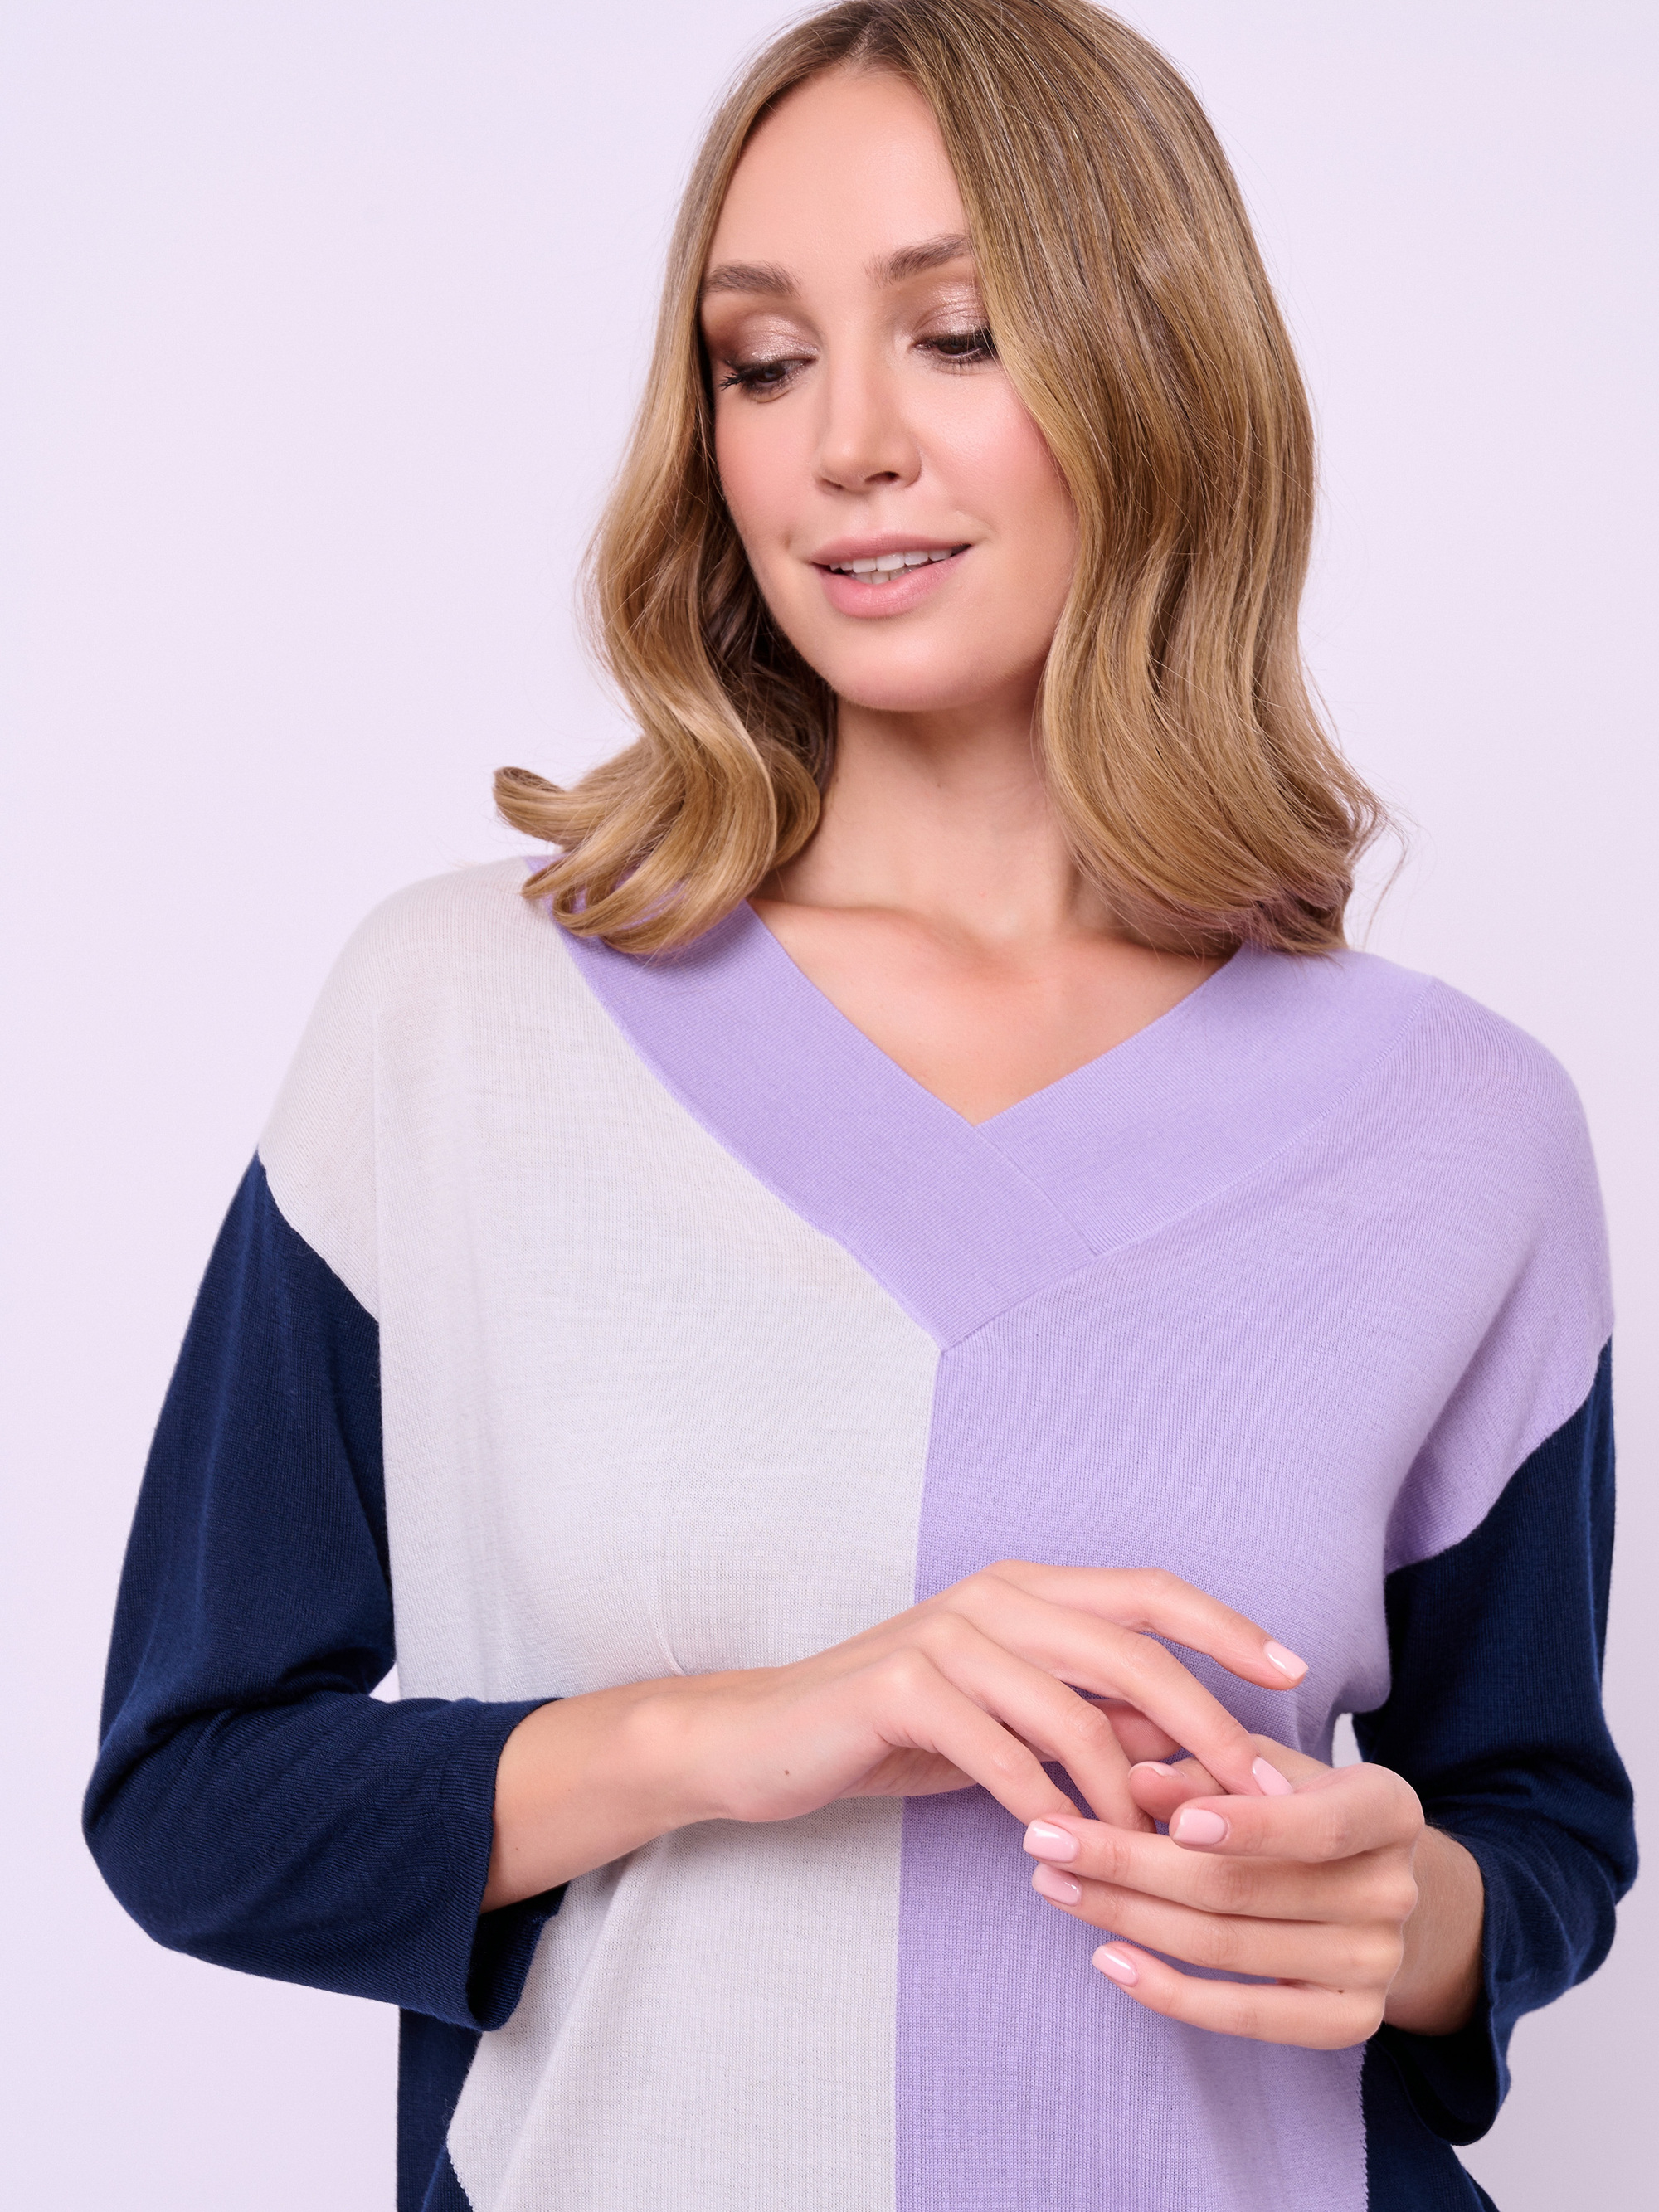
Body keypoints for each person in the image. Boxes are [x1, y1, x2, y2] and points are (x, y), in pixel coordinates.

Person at [84, 3, 1635, 2209]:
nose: (846, 446)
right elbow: (194, 1799)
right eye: (764, 360)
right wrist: (743, 1731)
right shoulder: (457, 1021)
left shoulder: (1463, 1130)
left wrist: (1415, 1918)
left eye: (959, 335)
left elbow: (1539, 1821)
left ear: (1157, 374)